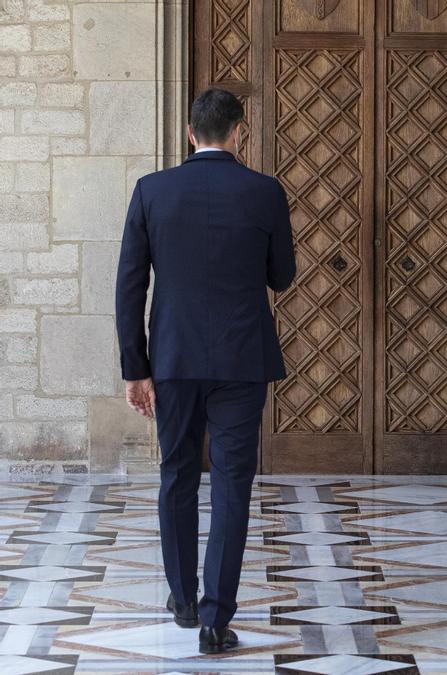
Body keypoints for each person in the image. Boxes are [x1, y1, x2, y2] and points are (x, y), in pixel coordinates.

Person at [114, 88, 295, 653]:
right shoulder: (265, 192)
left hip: (172, 358)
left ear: (190, 134)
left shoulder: (152, 191)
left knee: (178, 474)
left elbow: (129, 287)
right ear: (239, 132)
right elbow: (281, 276)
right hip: (241, 360)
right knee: (233, 485)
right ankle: (217, 619)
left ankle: (183, 600)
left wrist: (135, 368)